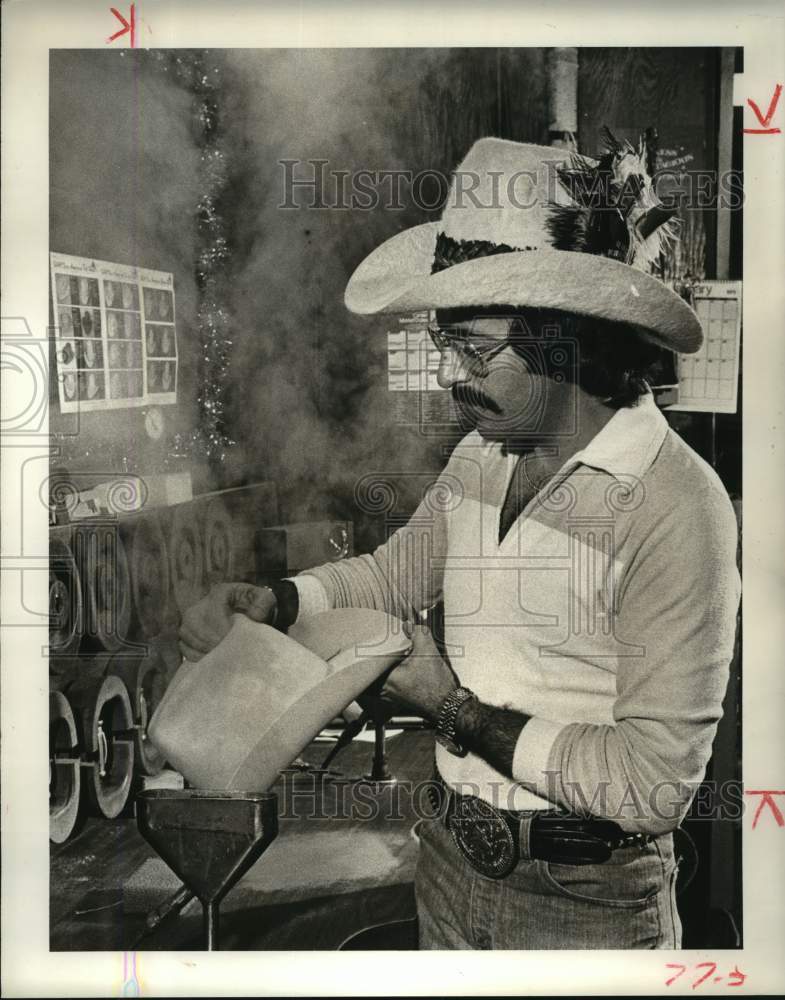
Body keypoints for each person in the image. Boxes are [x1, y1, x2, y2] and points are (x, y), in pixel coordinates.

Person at [179, 137, 741, 949]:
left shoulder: (674, 504)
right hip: (448, 863)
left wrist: (450, 709)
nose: (447, 372)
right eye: (443, 341)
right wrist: (281, 599)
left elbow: (651, 786)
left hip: (584, 904)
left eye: (473, 347)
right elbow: (395, 573)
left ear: (564, 339)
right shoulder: (482, 454)